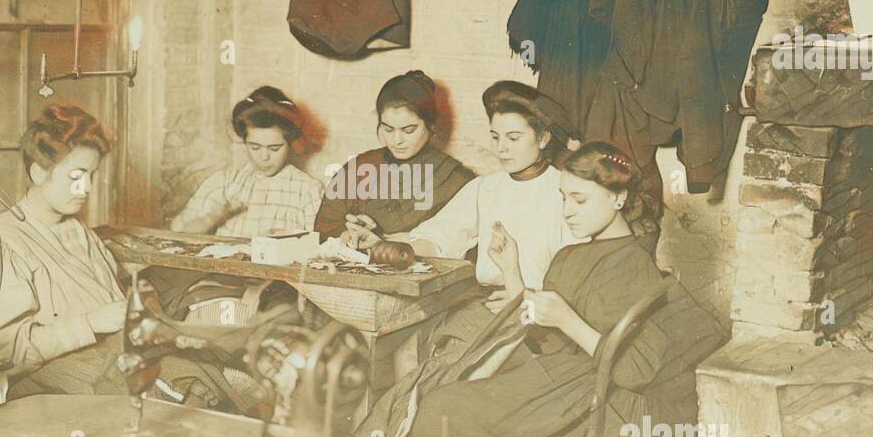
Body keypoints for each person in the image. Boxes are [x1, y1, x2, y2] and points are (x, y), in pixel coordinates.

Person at [360, 142, 727, 437]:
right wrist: (512, 272)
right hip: (557, 375)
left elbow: (635, 370)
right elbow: (542, 332)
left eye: (579, 199)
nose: (568, 211)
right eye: (563, 198)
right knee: (437, 389)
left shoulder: (634, 265)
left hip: (586, 401)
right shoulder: (572, 254)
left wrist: (567, 320)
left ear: (616, 199)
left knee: (445, 412)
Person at [345, 79, 583, 301]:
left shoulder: (565, 190)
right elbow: (441, 238)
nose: (501, 149)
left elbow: (578, 276)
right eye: (495, 137)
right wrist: (385, 247)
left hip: (542, 309)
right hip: (489, 302)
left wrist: (525, 301)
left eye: (513, 138)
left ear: (542, 138)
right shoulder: (486, 188)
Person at [0, 104, 126, 397]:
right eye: (76, 176)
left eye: (92, 174)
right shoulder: (1, 243)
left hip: (110, 358)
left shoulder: (76, 229)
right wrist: (92, 323)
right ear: (39, 173)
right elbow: (6, 351)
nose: (86, 187)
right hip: (47, 383)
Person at [314, 70, 474, 239]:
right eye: (388, 129)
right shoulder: (360, 167)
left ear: (431, 125)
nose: (396, 141)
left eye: (409, 130)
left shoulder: (455, 179)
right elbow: (322, 233)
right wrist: (349, 232)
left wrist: (400, 239)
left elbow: (463, 243)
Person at [171, 87, 323, 238]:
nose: (264, 157)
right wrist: (213, 217)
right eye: (255, 147)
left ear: (289, 143)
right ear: (244, 141)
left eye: (274, 148)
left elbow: (322, 251)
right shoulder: (224, 182)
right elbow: (177, 236)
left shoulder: (307, 190)